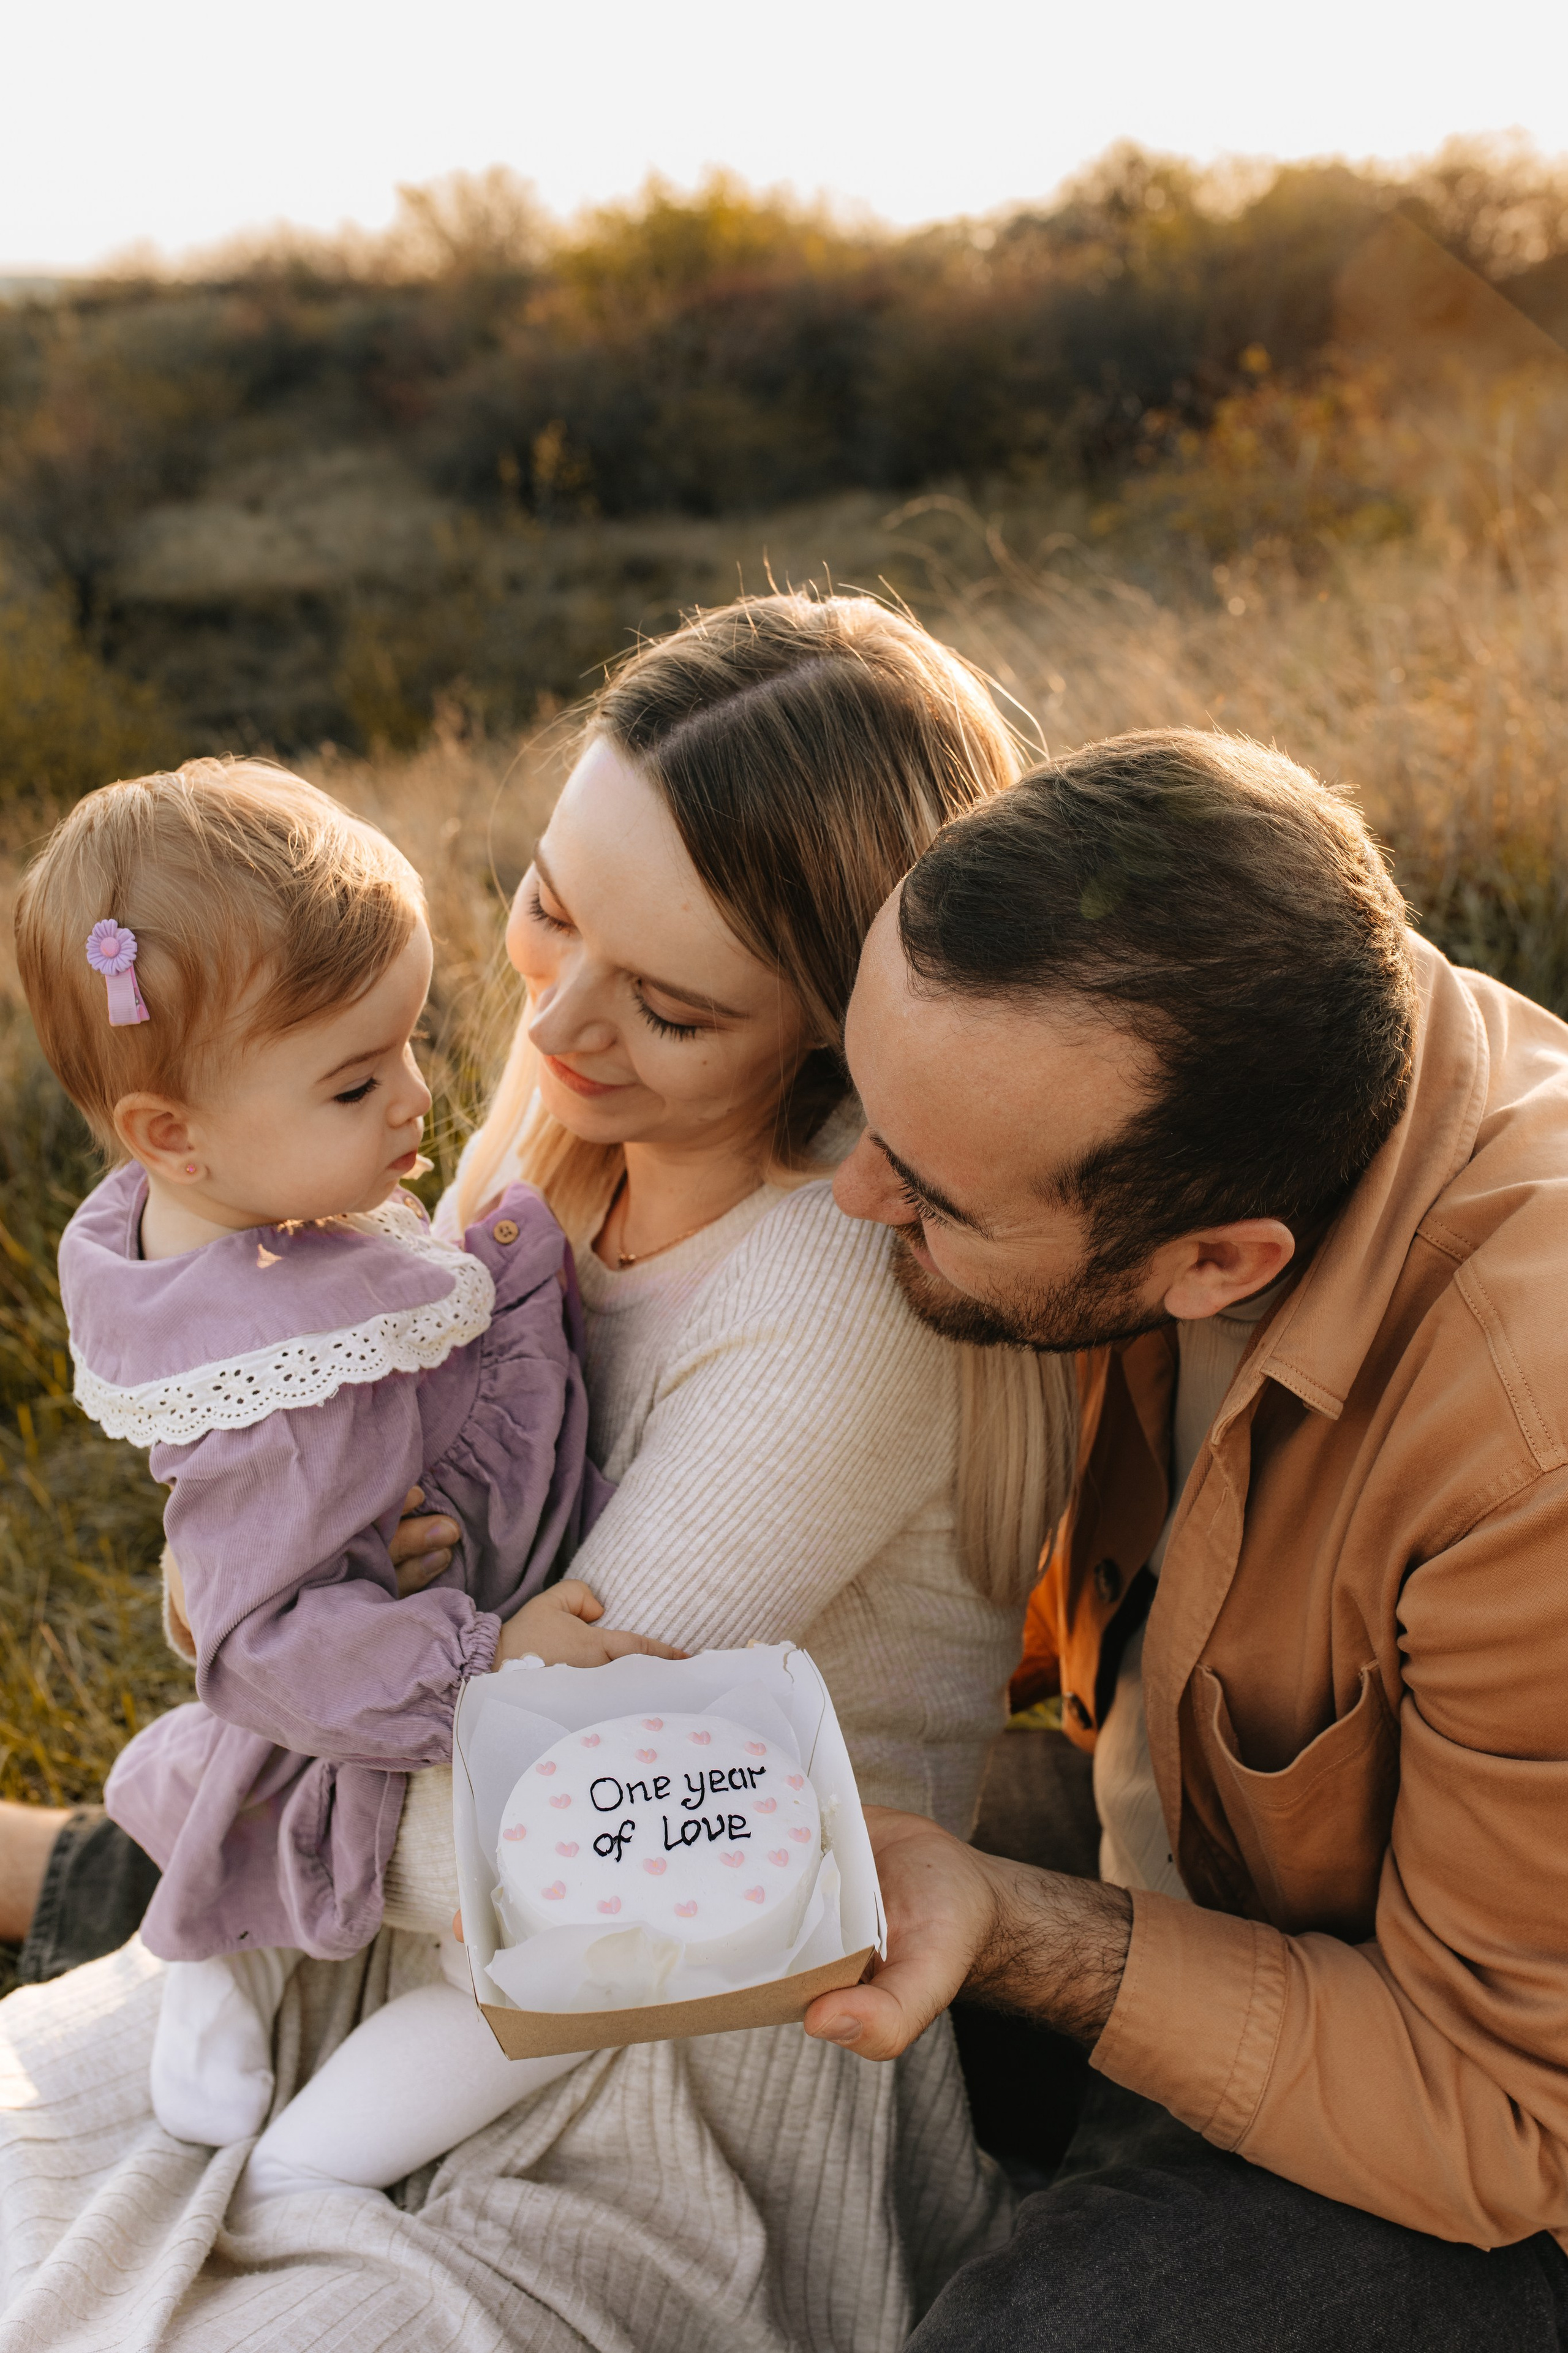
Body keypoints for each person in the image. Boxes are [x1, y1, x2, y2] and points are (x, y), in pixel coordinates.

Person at [0, 594, 1076, 2353]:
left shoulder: (827, 1298)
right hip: (381, 1947)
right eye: (548, 911)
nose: (560, 1023)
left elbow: (561, 1820)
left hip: (665, 2041)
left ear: (836, 1022)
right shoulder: (562, 1143)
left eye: (666, 1003)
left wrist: (253, 1686)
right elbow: (297, 1537)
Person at [802, 728, 1568, 2349]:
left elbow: (1506, 2109)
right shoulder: (1236, 1017)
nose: (852, 1193)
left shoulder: (1534, 1451)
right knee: (683, 1863)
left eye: (932, 1193)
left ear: (1221, 1262)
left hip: (1485, 2143)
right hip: (1216, 1876)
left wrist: (1008, 1929)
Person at [13, 758, 665, 2161]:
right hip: (363, 1676)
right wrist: (484, 1666)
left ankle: (205, 1967)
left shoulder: (255, 1209)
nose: (415, 1099)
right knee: (441, 1922)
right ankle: (253, 2060)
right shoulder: (273, 1385)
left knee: (234, 1824)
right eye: (357, 1079)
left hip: (363, 1621)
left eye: (414, 1041)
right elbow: (266, 1647)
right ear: (170, 1135)